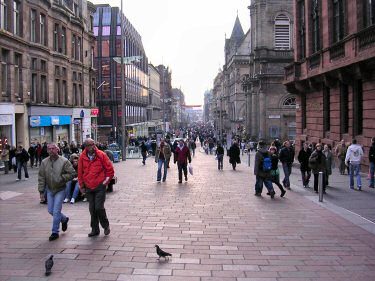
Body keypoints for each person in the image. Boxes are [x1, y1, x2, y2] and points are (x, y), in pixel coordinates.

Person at [38, 143, 76, 241]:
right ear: (47, 151)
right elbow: (41, 177)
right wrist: (41, 192)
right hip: (50, 189)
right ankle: (64, 219)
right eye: (49, 149)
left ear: (57, 150)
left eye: (53, 149)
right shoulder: (44, 162)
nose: (51, 151)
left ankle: (55, 232)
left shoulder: (64, 161)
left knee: (56, 211)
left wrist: (62, 178)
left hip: (60, 188)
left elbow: (72, 173)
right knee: (51, 210)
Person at [78, 138, 114, 237]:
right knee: (92, 209)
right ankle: (95, 229)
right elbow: (80, 173)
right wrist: (81, 186)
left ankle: (105, 226)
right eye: (89, 145)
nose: (91, 147)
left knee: (99, 207)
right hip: (89, 186)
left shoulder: (101, 155)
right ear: (85, 147)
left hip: (99, 186)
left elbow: (110, 170)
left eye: (92, 144)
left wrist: (104, 183)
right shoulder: (82, 157)